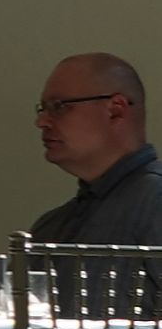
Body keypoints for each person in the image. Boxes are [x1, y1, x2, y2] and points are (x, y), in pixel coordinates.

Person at [30, 53, 162, 246]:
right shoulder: (49, 228)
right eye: (43, 109)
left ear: (115, 110)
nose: (41, 122)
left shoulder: (155, 202)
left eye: (59, 106)